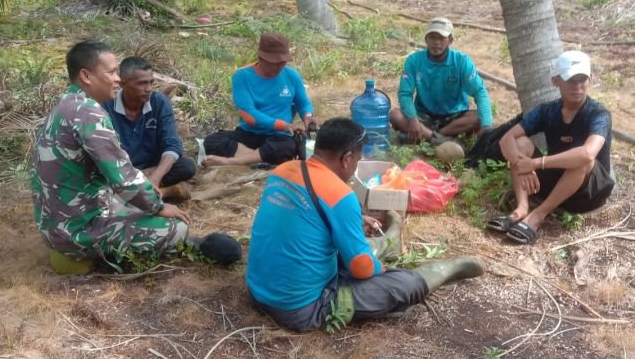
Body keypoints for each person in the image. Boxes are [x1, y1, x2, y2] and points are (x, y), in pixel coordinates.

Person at [246, 118, 485, 332]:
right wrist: (377, 269)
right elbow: (360, 269)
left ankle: (387, 242)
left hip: (258, 291)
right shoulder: (340, 194)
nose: (355, 168)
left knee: (350, 247)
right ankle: (446, 268)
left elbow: (302, 217)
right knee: (403, 283)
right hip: (300, 308)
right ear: (347, 158)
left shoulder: (283, 171)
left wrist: (354, 220)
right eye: (358, 160)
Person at [30, 41, 193, 274]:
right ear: (86, 75)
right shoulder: (89, 113)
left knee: (134, 198)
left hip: (54, 224)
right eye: (112, 72)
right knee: (176, 229)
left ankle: (75, 247)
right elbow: (124, 179)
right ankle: (82, 254)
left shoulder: (65, 105)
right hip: (76, 231)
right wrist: (158, 207)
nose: (118, 79)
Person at [488, 50, 614, 245]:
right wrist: (521, 165)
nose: (578, 86)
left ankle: (537, 216)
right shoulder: (547, 111)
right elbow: (507, 139)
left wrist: (536, 163)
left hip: (589, 191)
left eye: (583, 79)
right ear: (556, 81)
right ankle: (521, 208)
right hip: (556, 181)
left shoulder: (598, 114)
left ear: (590, 79)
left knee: (582, 160)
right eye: (571, 80)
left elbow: (588, 153)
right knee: (520, 144)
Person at [203, 33, 319, 167]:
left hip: (279, 136)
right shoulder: (242, 76)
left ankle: (236, 161)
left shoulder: (292, 76)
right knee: (212, 141)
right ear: (261, 58)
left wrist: (308, 116)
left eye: (283, 62)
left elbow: (303, 103)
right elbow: (250, 116)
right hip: (249, 133)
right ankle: (260, 158)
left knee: (286, 146)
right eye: (275, 63)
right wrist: (285, 125)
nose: (279, 66)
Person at [390, 17, 494, 145]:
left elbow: (479, 92)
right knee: (395, 115)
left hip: (454, 117)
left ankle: (431, 137)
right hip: (423, 115)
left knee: (478, 118)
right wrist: (412, 118)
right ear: (426, 39)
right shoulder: (414, 61)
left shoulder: (461, 61)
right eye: (432, 37)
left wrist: (486, 127)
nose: (436, 42)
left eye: (441, 38)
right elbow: (405, 94)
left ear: (450, 40)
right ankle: (439, 140)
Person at [103, 56, 196, 198]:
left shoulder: (159, 102)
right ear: (123, 84)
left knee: (186, 166)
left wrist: (155, 178)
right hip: (121, 171)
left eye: (151, 83)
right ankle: (164, 193)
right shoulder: (106, 105)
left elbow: (172, 144)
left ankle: (140, 193)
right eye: (142, 84)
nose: (148, 89)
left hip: (152, 168)